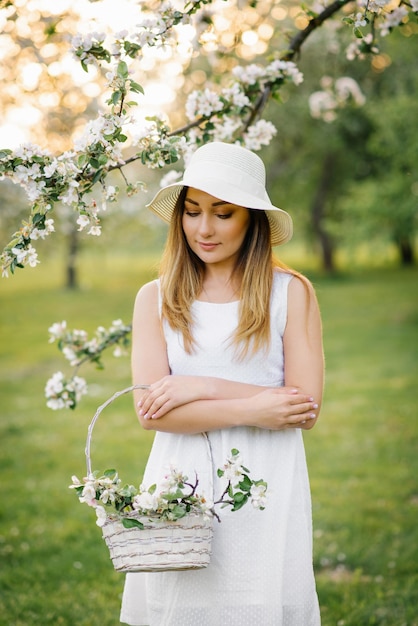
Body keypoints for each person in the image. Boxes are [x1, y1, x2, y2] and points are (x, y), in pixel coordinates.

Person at [120, 141, 324, 626]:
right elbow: (152, 413)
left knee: (256, 604)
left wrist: (200, 386)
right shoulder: (155, 298)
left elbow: (303, 407)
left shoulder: (289, 293)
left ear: (251, 219)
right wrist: (252, 409)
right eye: (192, 212)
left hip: (264, 484)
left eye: (223, 213)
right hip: (182, 485)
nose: (204, 228)